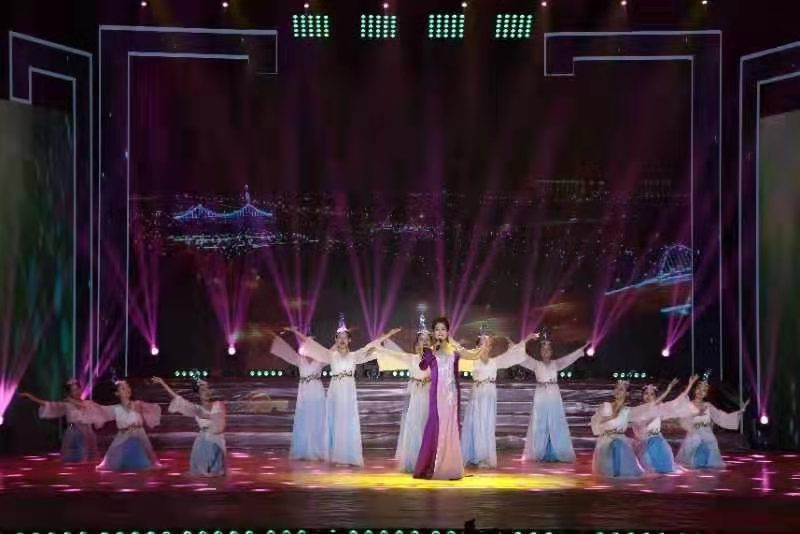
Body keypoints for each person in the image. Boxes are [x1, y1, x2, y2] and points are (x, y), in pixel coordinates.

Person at [289, 316, 399, 466]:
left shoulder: (354, 356)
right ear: (335, 340)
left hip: (348, 392)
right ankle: (335, 455)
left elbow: (371, 346)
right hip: (335, 391)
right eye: (339, 337)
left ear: (349, 340)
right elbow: (313, 345)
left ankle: (348, 455)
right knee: (335, 421)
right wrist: (296, 333)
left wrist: (389, 335)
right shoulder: (330, 355)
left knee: (348, 422)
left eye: (345, 337)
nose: (342, 340)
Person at [414, 316, 490, 480]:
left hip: (451, 395)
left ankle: (451, 466)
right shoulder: (431, 350)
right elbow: (422, 366)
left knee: (451, 428)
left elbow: (472, 355)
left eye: (443, 329)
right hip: (436, 395)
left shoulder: (454, 349)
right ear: (434, 333)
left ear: (448, 331)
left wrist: (483, 345)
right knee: (436, 426)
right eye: (437, 329)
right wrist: (426, 350)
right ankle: (434, 465)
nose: (440, 332)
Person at [461, 331, 539, 468]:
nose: (485, 346)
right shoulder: (472, 362)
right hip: (478, 396)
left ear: (490, 347)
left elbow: (513, 354)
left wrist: (527, 339)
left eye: (488, 343)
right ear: (477, 347)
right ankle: (475, 455)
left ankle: (485, 457)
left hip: (490, 395)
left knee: (487, 425)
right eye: (482, 343)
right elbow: (453, 359)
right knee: (477, 424)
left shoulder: (495, 362)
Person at [371, 313, 432, 473]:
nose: (425, 342)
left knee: (428, 426)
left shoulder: (435, 360)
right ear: (417, 343)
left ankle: (428, 460)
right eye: (422, 340)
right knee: (414, 426)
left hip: (429, 396)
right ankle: (414, 460)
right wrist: (386, 336)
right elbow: (389, 353)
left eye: (427, 340)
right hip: (415, 396)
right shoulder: (411, 358)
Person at [520, 337, 589, 463]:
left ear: (551, 352)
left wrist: (582, 349)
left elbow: (569, 359)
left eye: (548, 349)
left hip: (553, 394)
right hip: (541, 394)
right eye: (543, 349)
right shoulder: (536, 364)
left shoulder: (556, 364)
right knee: (540, 421)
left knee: (555, 420)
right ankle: (539, 450)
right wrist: (515, 347)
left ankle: (558, 450)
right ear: (540, 352)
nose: (546, 351)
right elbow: (524, 358)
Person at [151, 376, 226, 476]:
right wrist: (162, 383)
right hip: (204, 440)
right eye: (202, 390)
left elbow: (221, 421)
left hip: (216, 439)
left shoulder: (218, 404)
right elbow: (178, 399)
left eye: (207, 389)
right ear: (199, 394)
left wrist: (214, 424)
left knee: (215, 471)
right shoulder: (196, 409)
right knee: (204, 472)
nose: (206, 392)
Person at [270, 332, 328, 461]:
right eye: (306, 343)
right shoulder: (299, 359)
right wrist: (276, 338)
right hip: (304, 392)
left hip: (316, 392)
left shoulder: (321, 359)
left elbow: (332, 353)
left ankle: (317, 450)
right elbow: (284, 351)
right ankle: (303, 449)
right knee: (304, 419)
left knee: (317, 419)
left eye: (311, 344)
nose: (308, 346)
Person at [674, 372, 749, 470]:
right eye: (699, 389)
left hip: (707, 434)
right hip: (694, 433)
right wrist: (690, 384)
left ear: (706, 393)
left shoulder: (708, 405)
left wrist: (740, 411)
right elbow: (682, 405)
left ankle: (705, 463)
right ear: (695, 390)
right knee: (694, 443)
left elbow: (721, 416)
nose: (701, 392)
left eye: (704, 390)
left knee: (709, 446)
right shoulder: (689, 404)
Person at [19, 379, 102, 462]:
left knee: (87, 456)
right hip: (72, 431)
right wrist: (30, 396)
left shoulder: (88, 403)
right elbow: (48, 404)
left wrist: (70, 400)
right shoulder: (67, 404)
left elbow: (83, 407)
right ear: (70, 393)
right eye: (73, 390)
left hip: (86, 432)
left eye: (77, 389)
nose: (77, 392)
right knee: (73, 457)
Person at [631, 376, 697, 473]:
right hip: (646, 442)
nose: (648, 396)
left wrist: (690, 384)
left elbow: (677, 402)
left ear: (656, 397)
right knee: (648, 467)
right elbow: (639, 427)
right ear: (642, 395)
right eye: (646, 393)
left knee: (663, 467)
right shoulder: (639, 410)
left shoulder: (659, 408)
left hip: (658, 441)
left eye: (652, 394)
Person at [95, 379, 162, 471]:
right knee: (117, 457)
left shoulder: (137, 404)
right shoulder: (115, 409)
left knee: (143, 457)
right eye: (123, 388)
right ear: (117, 393)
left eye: (128, 387)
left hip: (139, 436)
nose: (127, 390)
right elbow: (100, 411)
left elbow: (153, 409)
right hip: (124, 437)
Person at [590, 380, 644, 478]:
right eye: (616, 388)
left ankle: (618, 472)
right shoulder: (606, 406)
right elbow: (596, 423)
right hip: (606, 439)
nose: (618, 391)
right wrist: (609, 418)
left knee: (618, 444)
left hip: (619, 439)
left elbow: (645, 415)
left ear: (626, 393)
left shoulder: (627, 411)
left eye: (621, 389)